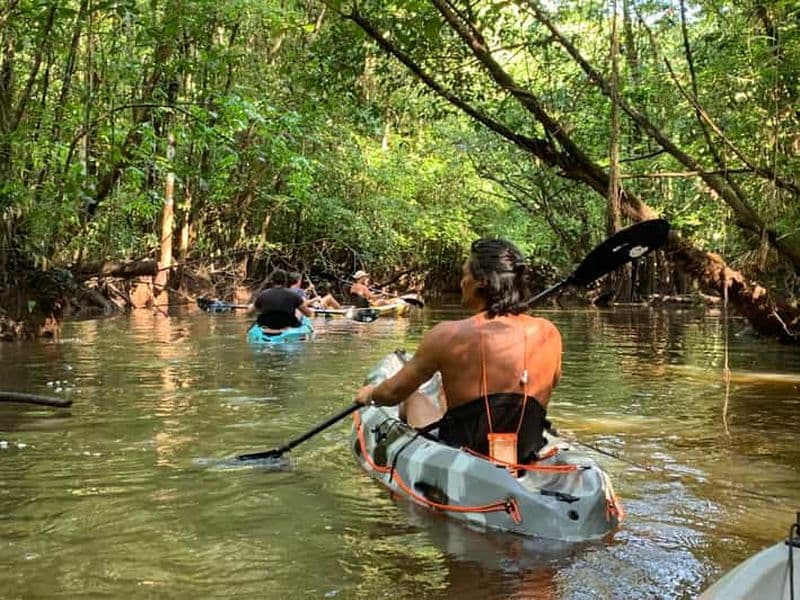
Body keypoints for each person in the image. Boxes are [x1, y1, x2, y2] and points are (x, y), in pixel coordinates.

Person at [355, 239, 562, 464]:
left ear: (482, 281)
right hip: (525, 450)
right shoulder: (549, 333)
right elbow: (550, 383)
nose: (462, 282)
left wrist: (369, 395)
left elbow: (392, 393)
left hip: (465, 455)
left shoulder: (447, 335)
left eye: (465, 274)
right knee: (448, 397)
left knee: (412, 396)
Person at [248, 268, 314, 330]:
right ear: (285, 281)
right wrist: (312, 312)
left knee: (251, 307)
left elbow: (250, 313)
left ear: (272, 281)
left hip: (266, 324)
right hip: (288, 325)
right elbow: (308, 314)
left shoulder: (263, 294)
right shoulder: (294, 295)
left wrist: (252, 307)